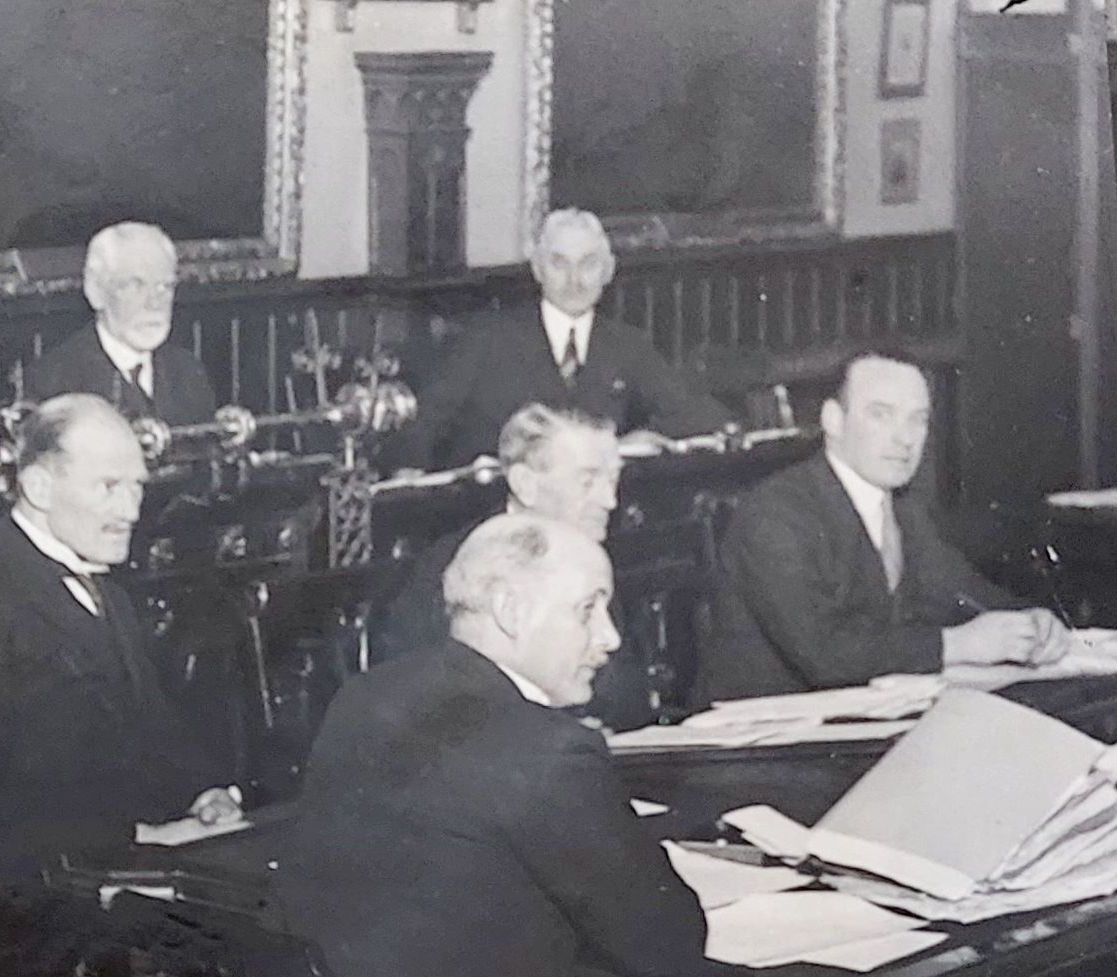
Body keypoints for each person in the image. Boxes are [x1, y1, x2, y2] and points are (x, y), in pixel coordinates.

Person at [276, 513, 706, 977]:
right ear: (511, 610)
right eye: (588, 609)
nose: (609, 637)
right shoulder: (549, 753)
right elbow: (668, 941)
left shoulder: (365, 698)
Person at [0, 394, 236, 915]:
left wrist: (202, 792)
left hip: (109, 868)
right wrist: (133, 837)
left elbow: (152, 724)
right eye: (108, 487)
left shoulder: (109, 593)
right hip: (11, 904)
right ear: (38, 486)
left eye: (136, 488)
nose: (130, 511)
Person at [697, 350, 1070, 700]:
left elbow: (962, 590)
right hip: (755, 745)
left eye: (917, 419)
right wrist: (957, 645)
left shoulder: (903, 509)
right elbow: (824, 653)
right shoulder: (776, 511)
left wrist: (1031, 622)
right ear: (833, 420)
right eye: (881, 414)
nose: (905, 438)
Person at [371, 404, 651, 726]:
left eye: (614, 479)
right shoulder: (454, 567)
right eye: (587, 481)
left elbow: (627, 691)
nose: (610, 500)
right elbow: (427, 703)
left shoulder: (590, 560)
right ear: (524, 483)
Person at [400, 209, 731, 471]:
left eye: (588, 265)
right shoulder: (488, 338)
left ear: (608, 272)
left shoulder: (628, 345)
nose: (574, 280)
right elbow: (422, 428)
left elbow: (698, 417)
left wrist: (638, 442)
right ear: (538, 269)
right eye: (559, 264)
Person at [18, 221, 222, 429]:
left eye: (165, 286)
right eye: (135, 285)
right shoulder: (54, 381)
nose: (154, 303)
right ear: (95, 291)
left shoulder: (187, 371)